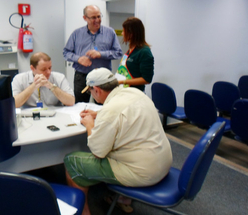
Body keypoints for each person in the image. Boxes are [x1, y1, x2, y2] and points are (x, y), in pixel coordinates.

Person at [64, 68, 172, 215]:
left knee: (71, 161)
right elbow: (123, 111)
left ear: (97, 90)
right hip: (163, 162)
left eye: (90, 92)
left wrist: (90, 124)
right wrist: (98, 114)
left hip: (144, 173)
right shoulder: (135, 93)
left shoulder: (111, 110)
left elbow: (98, 152)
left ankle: (84, 212)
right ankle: (122, 199)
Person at [63, 5, 123, 103]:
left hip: (103, 77)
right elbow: (66, 53)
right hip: (82, 76)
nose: (97, 20)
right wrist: (78, 59)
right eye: (93, 17)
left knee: (104, 106)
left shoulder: (110, 32)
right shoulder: (77, 34)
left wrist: (100, 54)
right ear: (85, 18)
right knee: (80, 105)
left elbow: (118, 53)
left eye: (99, 16)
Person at [116, 17, 154, 92]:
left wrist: (122, 82)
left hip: (135, 93)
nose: (122, 33)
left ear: (131, 34)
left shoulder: (144, 52)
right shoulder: (131, 49)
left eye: (124, 31)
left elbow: (146, 79)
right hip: (124, 91)